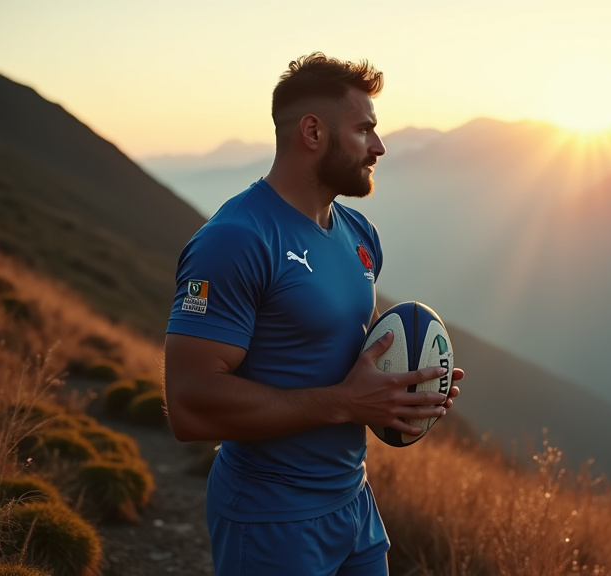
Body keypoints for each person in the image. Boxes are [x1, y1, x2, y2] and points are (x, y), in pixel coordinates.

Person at [163, 53, 463, 576]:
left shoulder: (359, 234)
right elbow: (189, 405)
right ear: (313, 132)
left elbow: (348, 362)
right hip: (270, 518)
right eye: (364, 129)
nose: (379, 146)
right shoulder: (236, 240)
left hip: (353, 505)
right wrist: (345, 403)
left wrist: (407, 390)